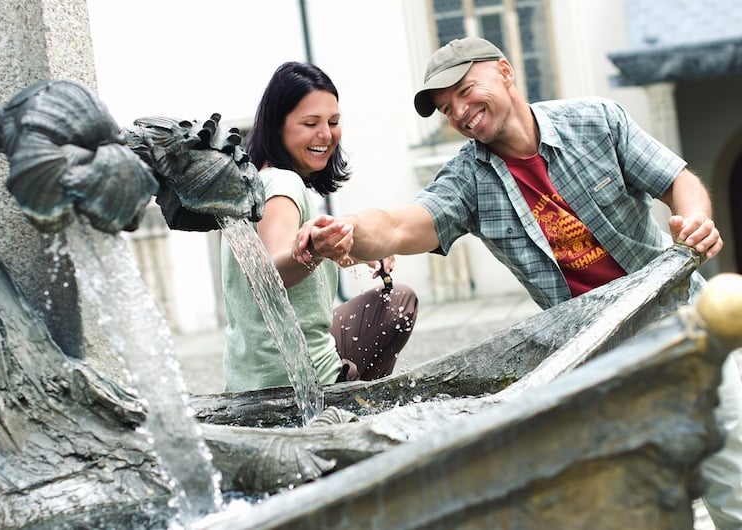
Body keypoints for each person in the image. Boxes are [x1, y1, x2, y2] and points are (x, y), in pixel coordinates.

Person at [294, 38, 742, 528]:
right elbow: (400, 225)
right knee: (626, 500)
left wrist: (694, 218)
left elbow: (678, 179)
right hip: (594, 361)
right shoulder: (468, 179)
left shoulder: (597, 120)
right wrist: (347, 233)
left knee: (733, 477)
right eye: (446, 108)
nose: (460, 113)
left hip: (685, 327)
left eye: (465, 91)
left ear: (505, 72)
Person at [221, 61, 418, 393]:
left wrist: (358, 253)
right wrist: (313, 251)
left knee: (395, 298)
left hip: (248, 377)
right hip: (298, 380)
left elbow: (293, 252)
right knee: (398, 304)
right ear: (277, 125)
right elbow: (273, 272)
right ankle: (359, 403)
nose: (326, 134)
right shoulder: (282, 184)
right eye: (310, 123)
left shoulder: (253, 185)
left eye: (334, 122)